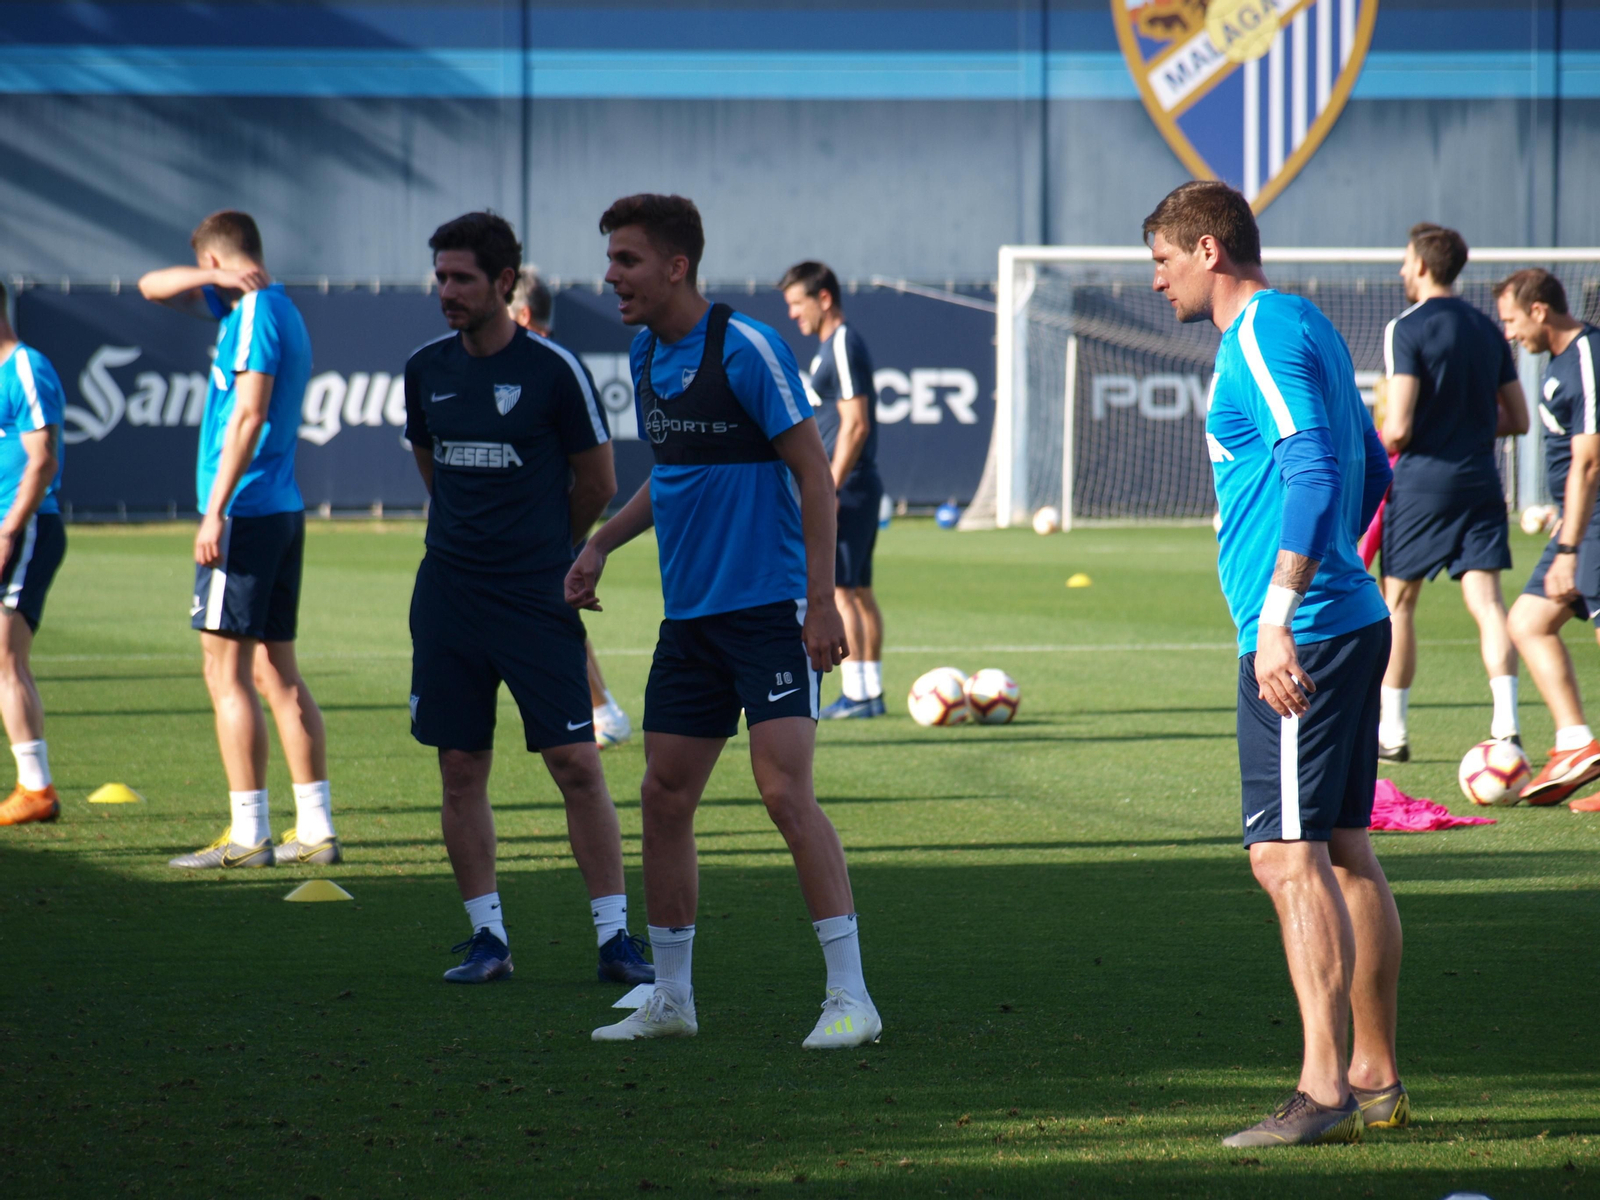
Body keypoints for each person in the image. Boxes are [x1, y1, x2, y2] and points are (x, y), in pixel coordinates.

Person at [569, 193, 880, 1047]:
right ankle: (672, 998)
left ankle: (851, 997)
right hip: (691, 620)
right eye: (610, 259)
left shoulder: (746, 348)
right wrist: (601, 544)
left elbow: (815, 474)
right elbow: (671, 476)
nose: (611, 276)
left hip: (770, 611)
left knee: (784, 793)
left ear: (676, 266)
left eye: (626, 260)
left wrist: (819, 602)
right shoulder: (642, 353)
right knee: (663, 796)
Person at [1146, 181, 1406, 1145]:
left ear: (1210, 250)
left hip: (1300, 635)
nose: (1158, 283)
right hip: (1343, 620)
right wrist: (1344, 582)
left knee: (1283, 857)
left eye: (1164, 263)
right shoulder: (1311, 329)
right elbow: (1373, 468)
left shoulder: (1257, 332)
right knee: (1343, 849)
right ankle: (1374, 1078)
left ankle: (1324, 1092)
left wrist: (1287, 614)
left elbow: (1312, 464)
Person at [405, 212, 653, 986]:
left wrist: (548, 551)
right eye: (440, 277)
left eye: (462, 279)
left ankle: (615, 940)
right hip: (447, 596)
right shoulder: (424, 368)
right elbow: (432, 467)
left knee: (578, 763)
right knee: (459, 766)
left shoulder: (553, 371)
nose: (447, 291)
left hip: (534, 597)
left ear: (504, 284)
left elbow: (601, 483)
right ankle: (488, 941)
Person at [138, 211, 339, 868]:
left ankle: (249, 834)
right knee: (274, 671)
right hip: (277, 509)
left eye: (208, 269)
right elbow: (150, 286)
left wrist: (214, 511)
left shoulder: (253, 315)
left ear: (223, 264)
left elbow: (250, 412)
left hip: (246, 513)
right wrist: (209, 273)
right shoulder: (269, 308)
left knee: (224, 671)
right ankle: (314, 829)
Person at [1376, 224, 1529, 760]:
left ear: (1421, 265)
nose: (1401, 271)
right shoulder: (1489, 328)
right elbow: (1518, 418)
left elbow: (1396, 429)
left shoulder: (1406, 327)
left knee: (1398, 603)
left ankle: (1392, 733)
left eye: (1404, 260)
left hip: (1422, 483)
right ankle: (1507, 726)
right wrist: (1465, 425)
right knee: (1488, 603)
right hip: (1480, 479)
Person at [508, 265, 633, 749]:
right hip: (542, 524)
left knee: (554, 618)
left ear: (520, 314)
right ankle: (602, 710)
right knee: (555, 617)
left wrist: (558, 532)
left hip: (546, 524)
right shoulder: (541, 363)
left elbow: (597, 474)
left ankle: (600, 710)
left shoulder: (554, 367)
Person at [1497, 269, 1600, 811]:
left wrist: (1568, 546)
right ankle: (1575, 743)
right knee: (1526, 622)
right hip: (1580, 521)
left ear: (1539, 310)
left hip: (1595, 520)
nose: (1510, 334)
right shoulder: (1559, 365)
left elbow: (1590, 460)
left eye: (1512, 321)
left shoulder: (1587, 354)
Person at [781, 261, 886, 719]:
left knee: (844, 590)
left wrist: (829, 487)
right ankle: (868, 692)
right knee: (856, 589)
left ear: (823, 298)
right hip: (853, 484)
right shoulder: (830, 347)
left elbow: (856, 425)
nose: (792, 314)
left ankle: (861, 695)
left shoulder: (842, 342)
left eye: (797, 303)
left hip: (849, 485)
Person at [0, 283, 67, 827]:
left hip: (23, 530)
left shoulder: (25, 366)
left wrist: (8, 531)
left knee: (6, 656)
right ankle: (32, 784)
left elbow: (41, 459)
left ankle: (36, 788)